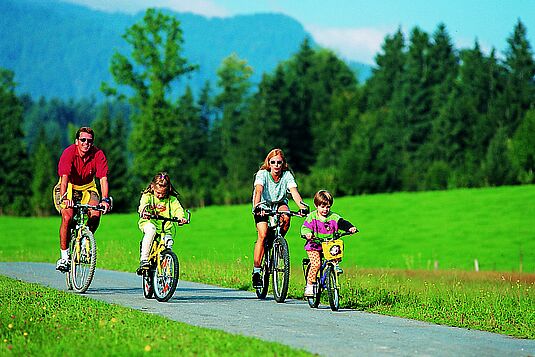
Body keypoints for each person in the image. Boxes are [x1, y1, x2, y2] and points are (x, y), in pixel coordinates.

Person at [54, 127, 111, 272]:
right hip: (68, 187)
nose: (86, 143)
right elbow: (65, 178)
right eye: (83, 140)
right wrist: (65, 197)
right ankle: (65, 257)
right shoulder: (69, 152)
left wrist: (105, 200)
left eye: (90, 141)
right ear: (77, 141)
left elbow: (103, 179)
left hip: (87, 187)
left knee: (96, 214)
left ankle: (86, 239)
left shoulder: (98, 154)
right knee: (67, 217)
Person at [251, 148, 308, 288]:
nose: (276, 165)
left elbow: (294, 192)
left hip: (279, 203)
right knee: (263, 234)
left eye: (279, 162)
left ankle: (278, 241)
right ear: (269, 163)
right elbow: (259, 190)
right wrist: (257, 207)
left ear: (283, 164)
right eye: (273, 162)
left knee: (287, 217)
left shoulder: (287, 175)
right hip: (263, 204)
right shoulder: (262, 174)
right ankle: (257, 271)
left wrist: (302, 206)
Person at [301, 190, 358, 297]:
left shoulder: (333, 217)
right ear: (316, 205)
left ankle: (335, 265)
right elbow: (305, 228)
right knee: (316, 264)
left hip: (328, 244)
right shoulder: (312, 217)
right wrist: (308, 234)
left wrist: (350, 227)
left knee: (336, 249)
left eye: (328, 207)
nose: (325, 210)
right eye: (322, 207)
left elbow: (342, 222)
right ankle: (309, 285)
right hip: (314, 245)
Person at [137, 172, 187, 272]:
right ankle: (144, 259)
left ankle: (166, 270)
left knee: (169, 243)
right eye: (158, 193)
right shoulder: (148, 196)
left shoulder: (171, 199)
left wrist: (181, 217)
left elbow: (177, 209)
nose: (160, 196)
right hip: (149, 222)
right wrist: (144, 211)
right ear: (152, 187)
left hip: (165, 228)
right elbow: (143, 205)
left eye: (163, 194)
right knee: (151, 230)